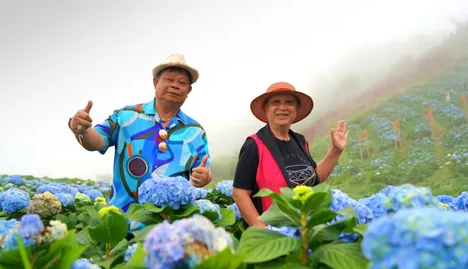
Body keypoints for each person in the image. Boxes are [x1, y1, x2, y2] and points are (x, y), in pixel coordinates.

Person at [68, 53, 212, 212]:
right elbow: (96, 142)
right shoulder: (126, 116)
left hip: (171, 225)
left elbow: (201, 173)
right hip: (123, 220)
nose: (175, 85)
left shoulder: (195, 132)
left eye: (182, 83)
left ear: (188, 90)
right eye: (169, 80)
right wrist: (81, 129)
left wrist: (204, 177)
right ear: (155, 82)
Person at [232, 82, 349, 228]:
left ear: (296, 109)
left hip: (305, 229)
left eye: (289, 102)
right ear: (266, 108)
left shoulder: (300, 141)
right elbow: (239, 194)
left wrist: (336, 150)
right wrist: (264, 231)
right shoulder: (254, 145)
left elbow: (314, 178)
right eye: (276, 102)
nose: (283, 107)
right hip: (275, 235)